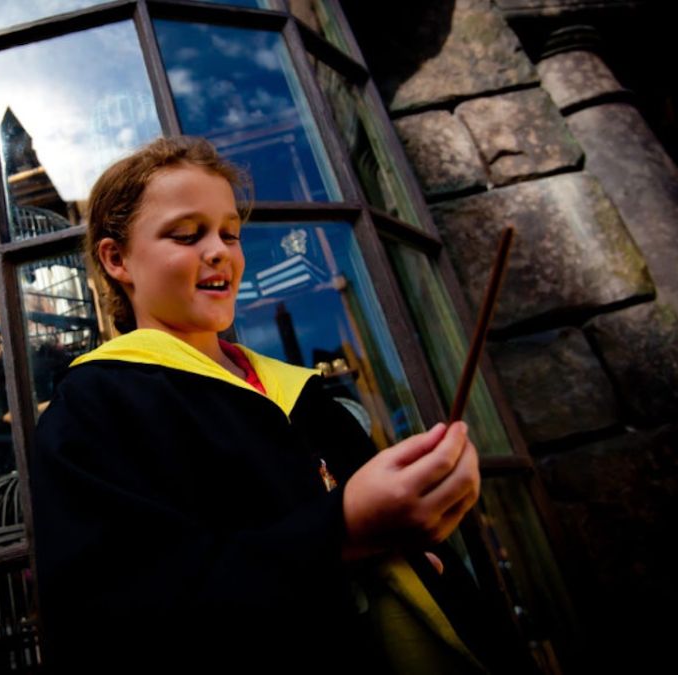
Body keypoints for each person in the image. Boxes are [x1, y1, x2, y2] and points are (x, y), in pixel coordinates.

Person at [28, 136, 515, 673]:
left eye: (230, 233)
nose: (219, 251)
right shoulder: (94, 405)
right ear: (116, 258)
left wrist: (405, 549)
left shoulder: (301, 390)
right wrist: (344, 532)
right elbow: (117, 618)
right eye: (188, 234)